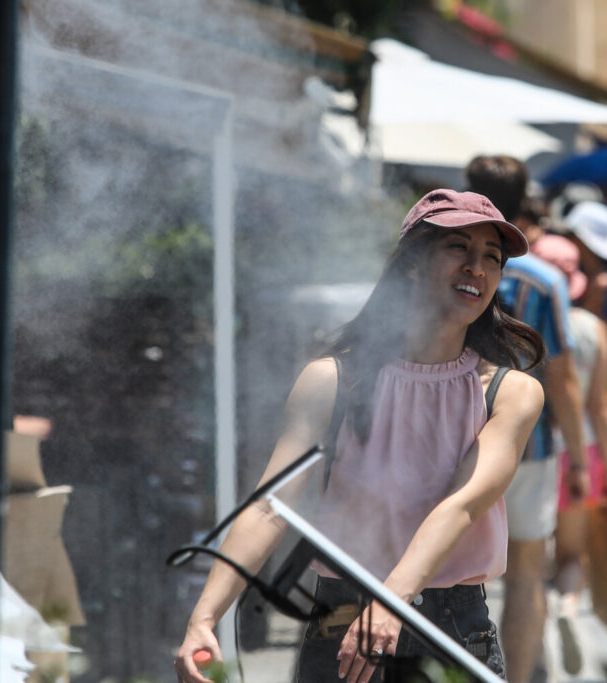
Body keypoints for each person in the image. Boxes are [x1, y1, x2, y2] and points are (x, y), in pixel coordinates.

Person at [175, 189, 547, 682]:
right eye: (458, 248)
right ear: (413, 263)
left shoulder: (510, 392)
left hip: (451, 627)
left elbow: (461, 504)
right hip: (339, 621)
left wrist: (392, 600)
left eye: (492, 258)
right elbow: (271, 507)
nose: (477, 267)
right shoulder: (332, 380)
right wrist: (204, 618)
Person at [465, 155, 588, 683]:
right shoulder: (542, 280)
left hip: (459, 438)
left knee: (458, 576)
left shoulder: (451, 264)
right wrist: (582, 459)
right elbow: (561, 377)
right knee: (526, 575)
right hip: (530, 448)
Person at [532, 234, 607, 676]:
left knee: (527, 560)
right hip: (580, 452)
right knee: (571, 554)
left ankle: (531, 646)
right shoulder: (592, 328)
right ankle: (567, 605)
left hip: (531, 450)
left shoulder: (521, 321)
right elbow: (599, 406)